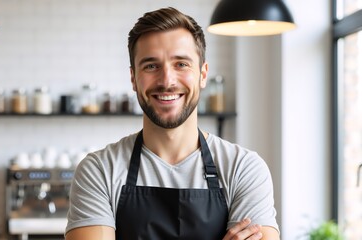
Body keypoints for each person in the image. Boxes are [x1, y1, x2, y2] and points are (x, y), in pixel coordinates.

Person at [65, 7, 280, 240]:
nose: (167, 81)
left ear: (203, 74)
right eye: (151, 66)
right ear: (133, 79)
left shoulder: (243, 169)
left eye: (181, 64)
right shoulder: (99, 171)